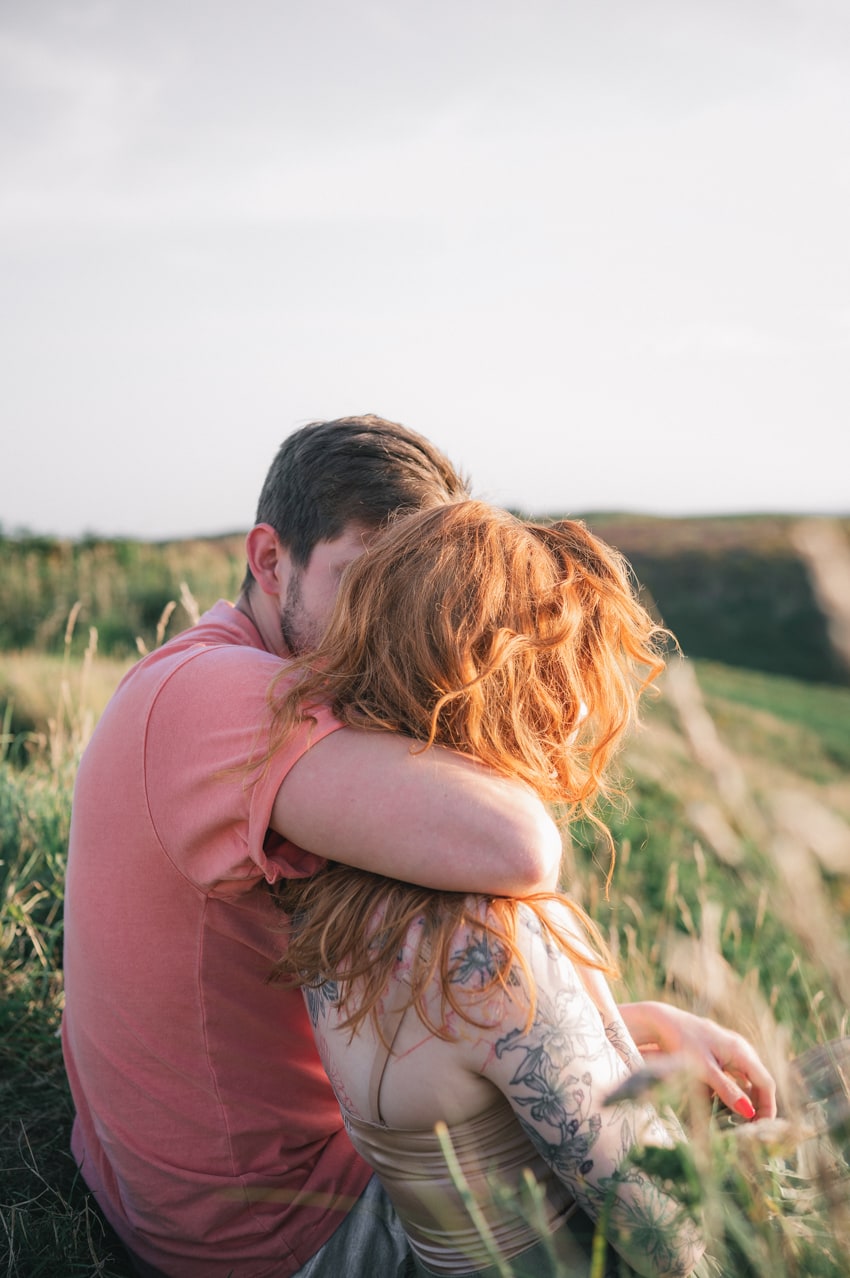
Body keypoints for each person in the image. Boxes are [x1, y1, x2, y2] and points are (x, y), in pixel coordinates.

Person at [61, 416, 773, 1278]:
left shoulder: (220, 686)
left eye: (410, 593)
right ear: (268, 559)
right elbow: (515, 845)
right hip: (274, 1242)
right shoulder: (220, 693)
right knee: (482, 934)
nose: (385, 623)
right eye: (362, 582)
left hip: (227, 1197)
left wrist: (623, 1038)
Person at [269, 501, 715, 1277]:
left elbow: (478, 1082)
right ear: (517, 684)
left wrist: (643, 1041)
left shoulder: (330, 887)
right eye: (568, 669)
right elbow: (671, 1240)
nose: (581, 710)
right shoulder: (486, 938)